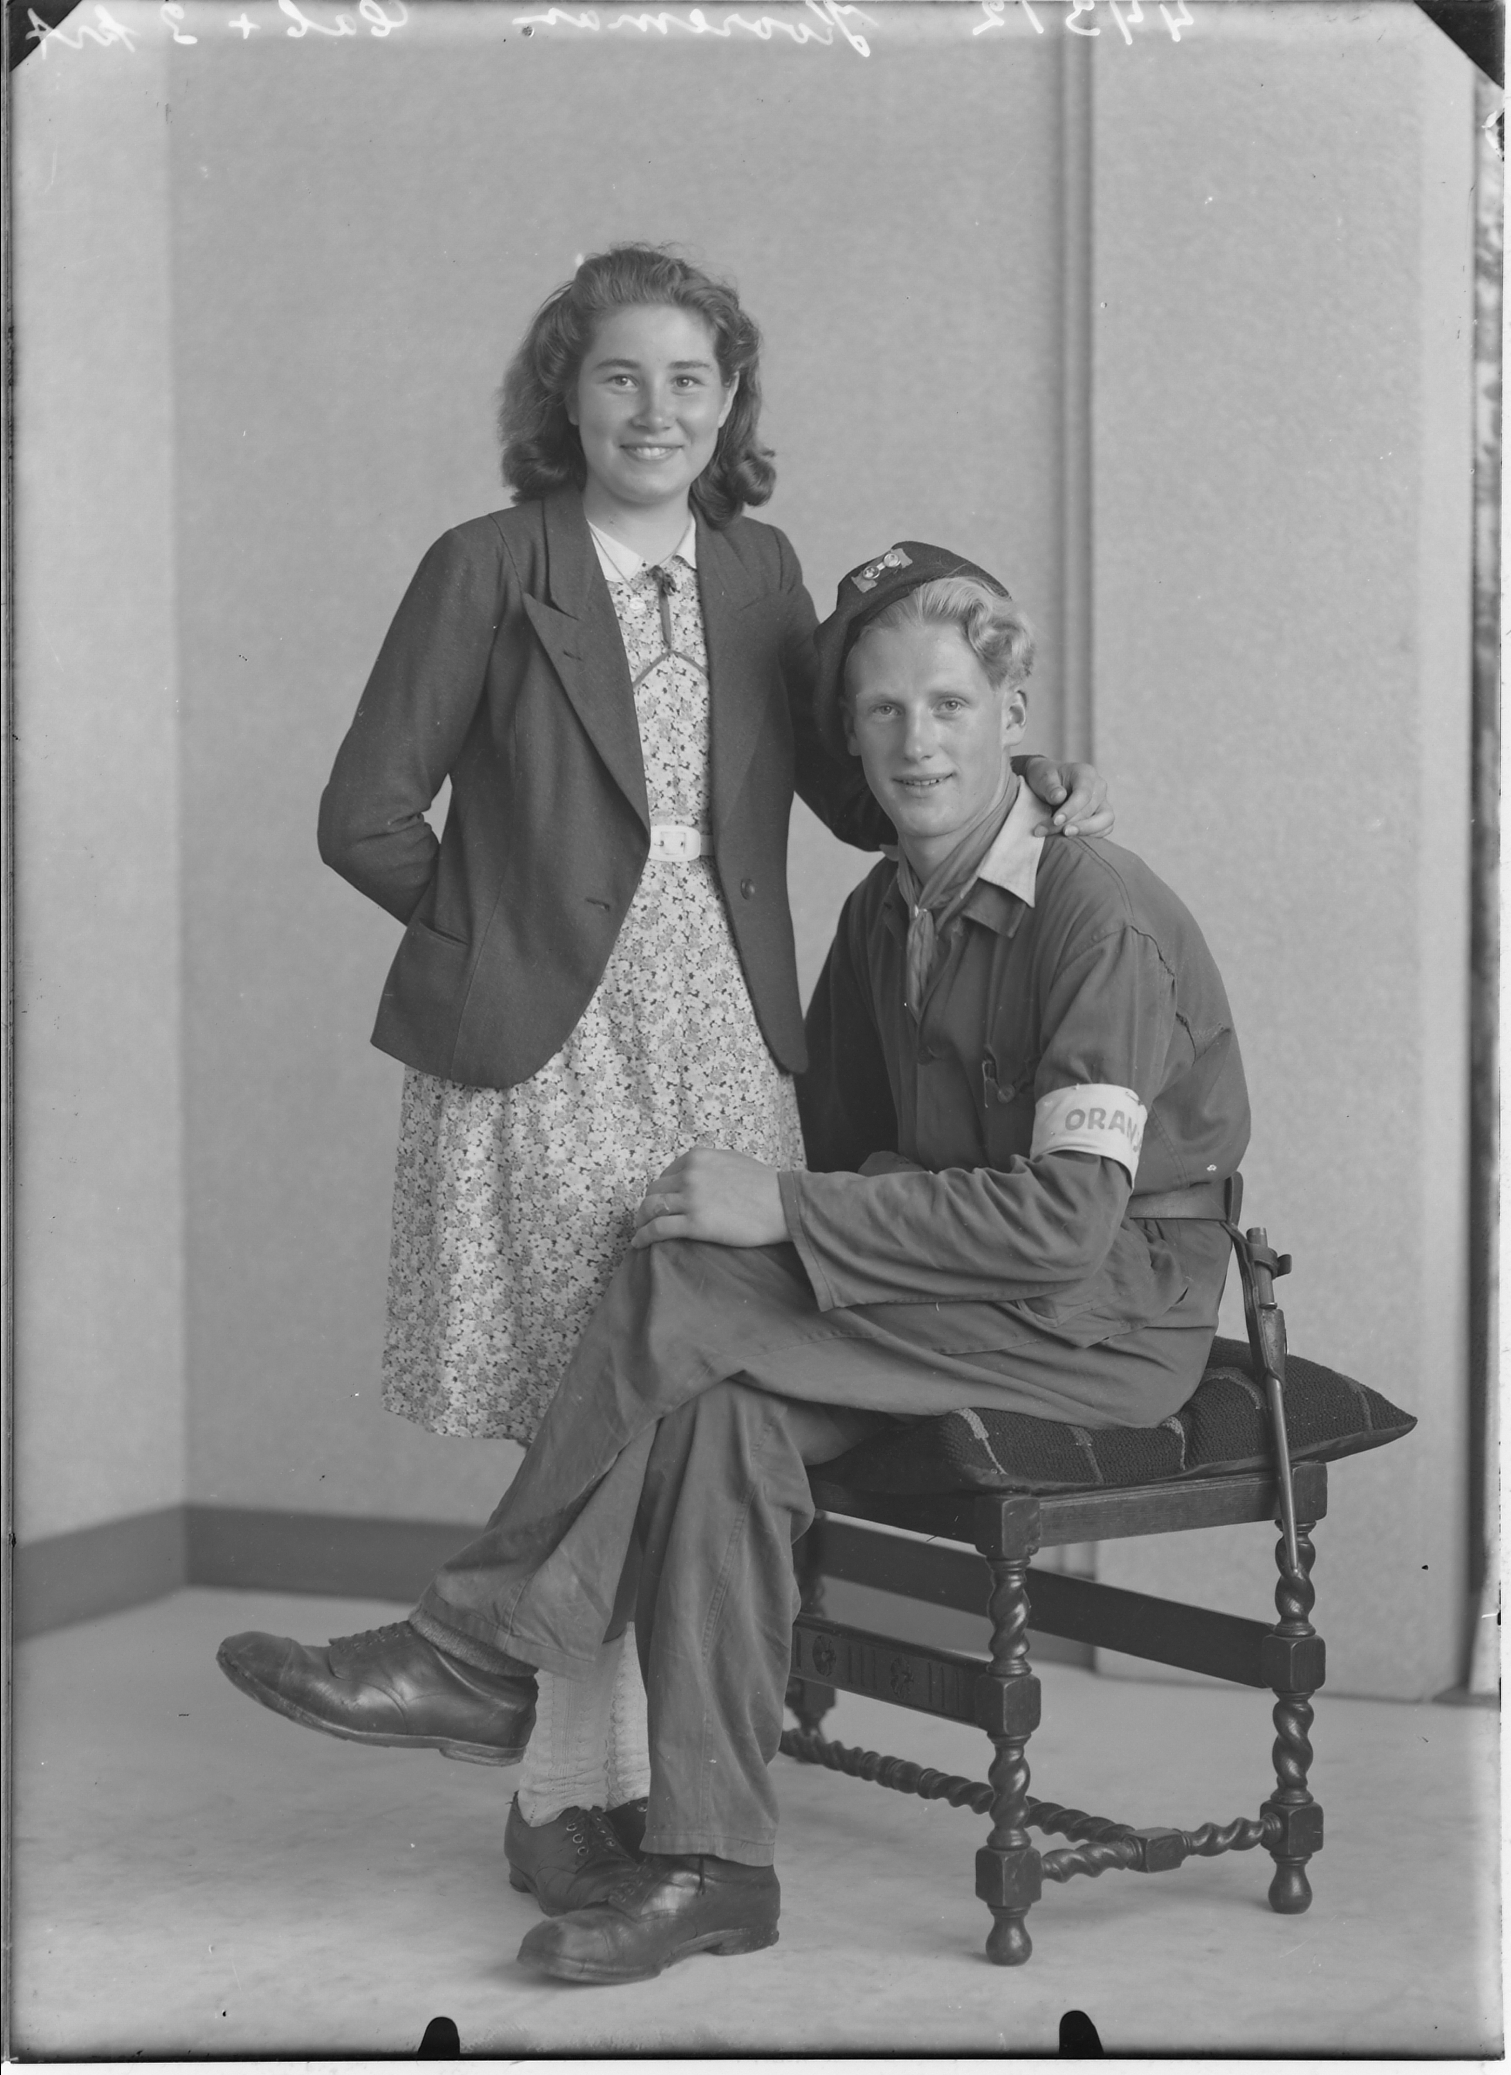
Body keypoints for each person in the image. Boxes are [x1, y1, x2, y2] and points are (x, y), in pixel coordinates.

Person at [219, 541, 1248, 1984]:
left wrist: (786, 1213)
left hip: (1104, 1320)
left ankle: (476, 1651)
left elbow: (1068, 1224)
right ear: (850, 745)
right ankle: (716, 1867)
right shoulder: (883, 912)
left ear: (1014, 714)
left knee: (699, 1276)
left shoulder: (1097, 910)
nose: (916, 742)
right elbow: (842, 1144)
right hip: (961, 1298)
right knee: (717, 1412)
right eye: (881, 712)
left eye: (951, 704)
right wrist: (794, 1199)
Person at [301, 248, 1112, 1918]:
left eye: (690, 379)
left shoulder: (761, 571)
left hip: (724, 1032)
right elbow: (363, 815)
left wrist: (1020, 775)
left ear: (730, 401)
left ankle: (562, 1762)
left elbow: (855, 785)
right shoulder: (486, 564)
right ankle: (564, 1802)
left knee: (664, 1407)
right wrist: (505, 946)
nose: (655, 410)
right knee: (587, 1398)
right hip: (548, 1046)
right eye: (620, 375)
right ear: (564, 392)